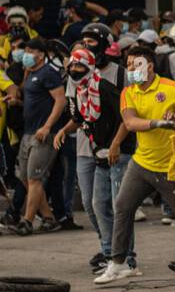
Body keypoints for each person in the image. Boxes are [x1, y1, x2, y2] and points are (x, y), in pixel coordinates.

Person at [96, 46, 175, 284]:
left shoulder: (171, 88)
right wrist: (157, 123)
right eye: (129, 65)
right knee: (122, 206)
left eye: (136, 65)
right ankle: (119, 263)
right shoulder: (128, 92)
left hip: (171, 166)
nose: (131, 69)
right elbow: (130, 122)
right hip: (141, 163)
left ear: (150, 66)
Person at [55, 46, 137, 276]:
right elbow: (79, 119)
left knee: (120, 207)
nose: (74, 70)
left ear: (90, 66)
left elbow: (125, 119)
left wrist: (115, 145)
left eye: (79, 65)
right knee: (97, 204)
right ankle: (111, 255)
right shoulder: (81, 91)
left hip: (118, 153)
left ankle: (128, 258)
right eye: (71, 66)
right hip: (98, 153)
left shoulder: (103, 87)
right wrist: (63, 131)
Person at [14, 38, 65, 235]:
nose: (26, 53)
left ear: (41, 54)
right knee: (26, 179)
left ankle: (27, 221)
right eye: (25, 49)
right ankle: (49, 218)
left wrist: (47, 126)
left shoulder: (49, 74)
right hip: (28, 132)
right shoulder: (32, 74)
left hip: (44, 134)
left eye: (30, 50)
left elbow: (59, 102)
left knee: (35, 178)